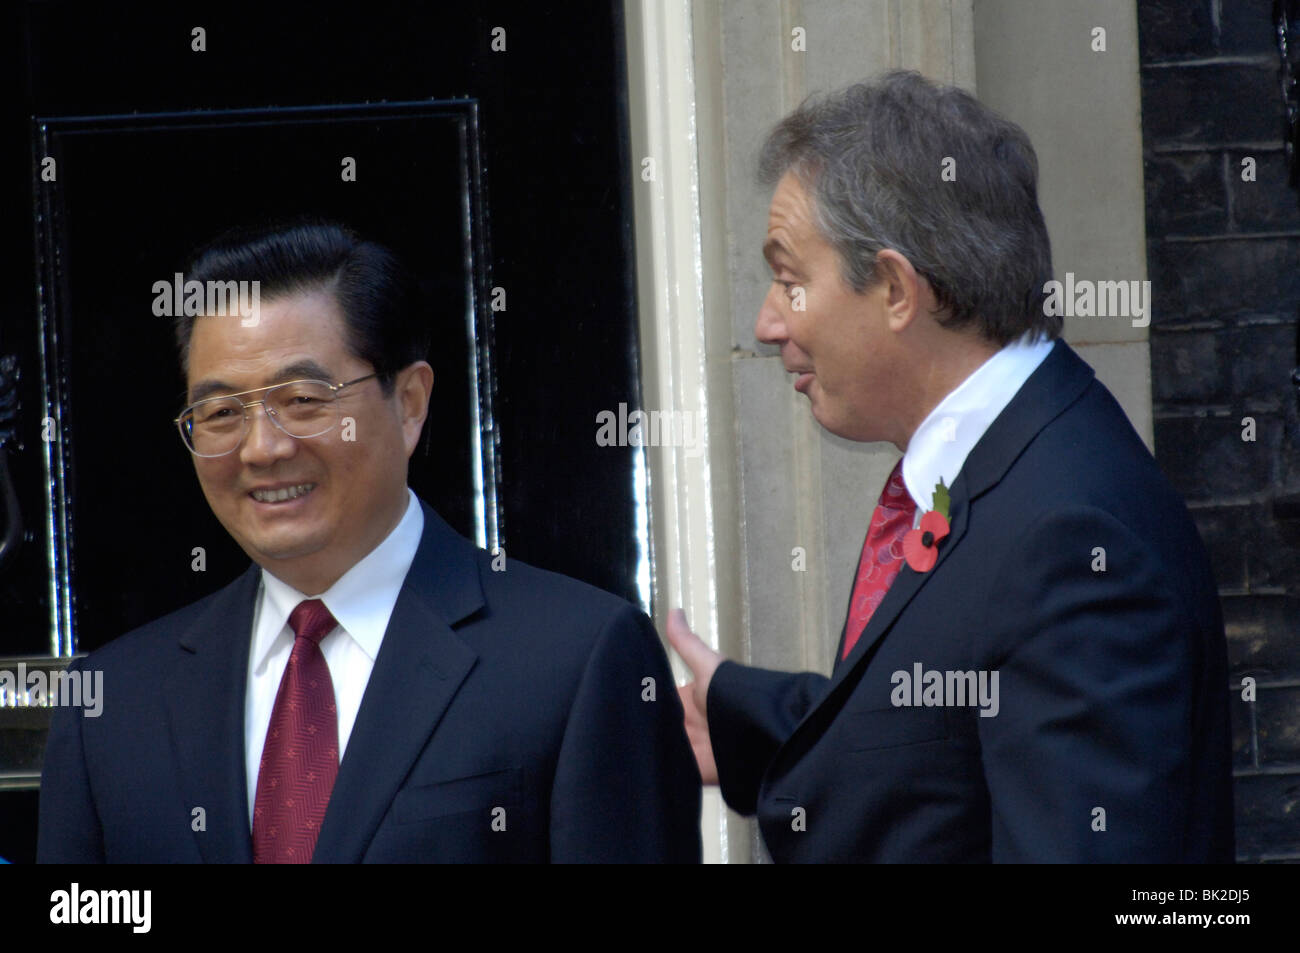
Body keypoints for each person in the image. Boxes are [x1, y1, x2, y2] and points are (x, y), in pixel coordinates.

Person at [666, 71, 1234, 862]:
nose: (768, 323)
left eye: (792, 282)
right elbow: (942, 730)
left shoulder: (1074, 539)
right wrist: (741, 711)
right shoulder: (1007, 461)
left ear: (897, 289)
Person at [38, 222, 701, 863]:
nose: (263, 448)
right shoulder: (112, 705)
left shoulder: (577, 659)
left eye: (303, 399)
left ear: (408, 403)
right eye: (220, 413)